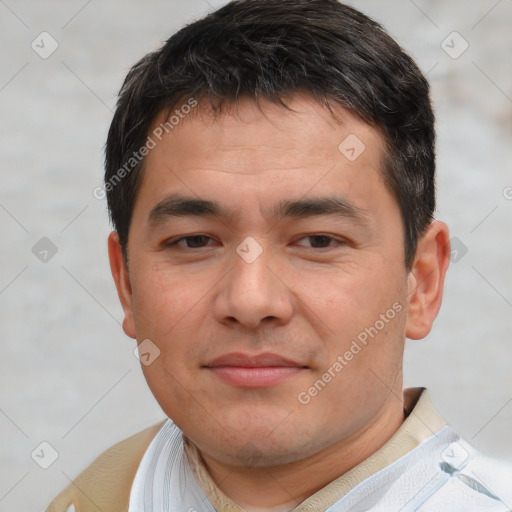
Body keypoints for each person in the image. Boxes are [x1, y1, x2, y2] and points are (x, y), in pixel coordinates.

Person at [46, 0, 512, 510]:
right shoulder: (95, 498)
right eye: (194, 241)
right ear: (128, 283)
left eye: (317, 241)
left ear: (421, 282)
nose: (250, 300)